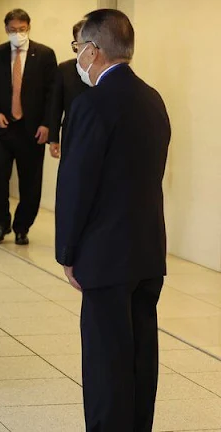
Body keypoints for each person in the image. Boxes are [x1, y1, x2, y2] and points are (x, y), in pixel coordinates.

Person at [55, 9, 171, 432]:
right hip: (147, 251)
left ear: (93, 50)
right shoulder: (152, 97)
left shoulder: (91, 104)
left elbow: (76, 186)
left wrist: (66, 251)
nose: (78, 58)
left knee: (107, 363)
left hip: (104, 256)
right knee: (141, 355)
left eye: (77, 48)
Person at [0, 8, 57, 245]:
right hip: (2, 128)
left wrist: (48, 124)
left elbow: (52, 94)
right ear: (6, 30)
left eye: (22, 29)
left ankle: (22, 226)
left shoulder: (45, 54)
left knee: (31, 183)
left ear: (29, 27)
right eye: (13, 30)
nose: (18, 33)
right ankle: (1, 223)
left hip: (32, 129)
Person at [48, 19, 89, 159]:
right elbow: (56, 105)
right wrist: (53, 137)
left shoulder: (103, 69)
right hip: (72, 131)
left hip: (97, 131)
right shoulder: (65, 69)